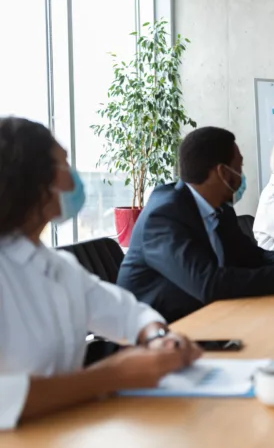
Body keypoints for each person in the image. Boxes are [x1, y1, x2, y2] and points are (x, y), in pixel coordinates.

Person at [0, 117, 201, 430]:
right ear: (33, 179)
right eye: (64, 164)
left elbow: (125, 311)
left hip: (66, 428)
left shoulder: (57, 266)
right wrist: (115, 375)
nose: (73, 179)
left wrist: (157, 337)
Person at [117, 127, 274, 323]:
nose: (242, 175)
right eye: (239, 167)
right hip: (157, 331)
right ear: (223, 172)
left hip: (207, 317)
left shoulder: (220, 209)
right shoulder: (164, 216)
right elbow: (208, 283)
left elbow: (251, 256)